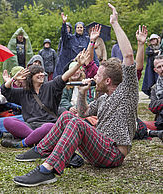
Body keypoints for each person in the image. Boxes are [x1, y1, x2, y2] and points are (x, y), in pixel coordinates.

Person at [13, 3, 138, 187]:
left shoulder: (126, 93)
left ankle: (48, 170)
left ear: (108, 81)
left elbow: (128, 57)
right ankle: (40, 150)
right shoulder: (103, 98)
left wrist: (115, 23)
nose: (94, 76)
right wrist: (81, 93)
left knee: (76, 123)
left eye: (98, 75)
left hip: (113, 153)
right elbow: (82, 113)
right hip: (98, 150)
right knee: (66, 116)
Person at [0, 49, 91, 148]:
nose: (41, 74)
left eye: (42, 72)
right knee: (7, 121)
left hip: (49, 125)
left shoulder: (51, 86)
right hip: (30, 126)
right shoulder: (24, 92)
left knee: (48, 127)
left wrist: (78, 64)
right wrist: (13, 79)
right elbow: (5, 91)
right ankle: (37, 138)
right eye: (37, 73)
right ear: (30, 77)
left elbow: (64, 77)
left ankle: (22, 143)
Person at [53, 13, 99, 78]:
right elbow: (64, 35)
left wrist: (96, 65)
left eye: (81, 27)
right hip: (71, 64)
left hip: (83, 66)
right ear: (75, 29)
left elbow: (92, 52)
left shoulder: (87, 39)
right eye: (78, 27)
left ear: (83, 29)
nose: (79, 29)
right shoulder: (70, 38)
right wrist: (64, 23)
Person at [147, 55, 163, 141]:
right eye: (159, 67)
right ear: (155, 70)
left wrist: (159, 102)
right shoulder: (155, 88)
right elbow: (152, 107)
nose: (162, 69)